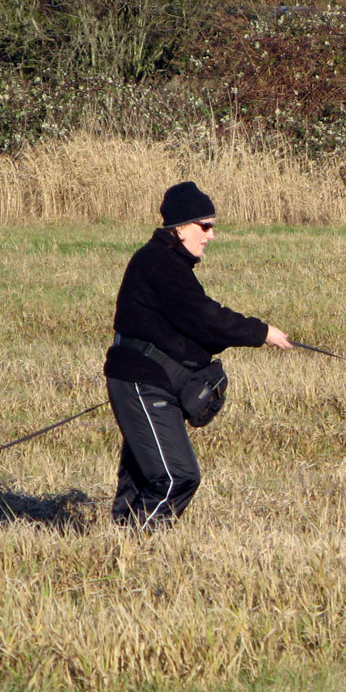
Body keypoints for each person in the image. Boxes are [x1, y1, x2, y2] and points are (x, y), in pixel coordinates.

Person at [103, 181, 293, 530]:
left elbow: (190, 331)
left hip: (149, 381)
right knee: (176, 477)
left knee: (144, 477)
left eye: (212, 227)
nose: (211, 235)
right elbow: (204, 318)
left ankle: (122, 542)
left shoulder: (166, 263)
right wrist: (261, 332)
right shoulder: (160, 264)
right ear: (179, 228)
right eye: (204, 226)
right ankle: (137, 545)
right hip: (142, 382)